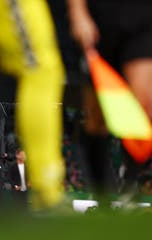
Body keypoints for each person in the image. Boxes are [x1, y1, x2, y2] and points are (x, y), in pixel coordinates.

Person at [67, 0, 152, 208]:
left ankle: (131, 186)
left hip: (142, 18)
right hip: (99, 19)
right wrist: (78, 12)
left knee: (144, 102)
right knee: (96, 118)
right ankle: (103, 196)